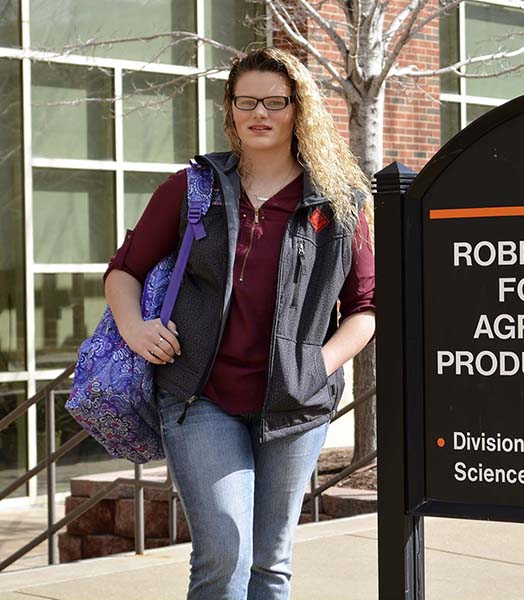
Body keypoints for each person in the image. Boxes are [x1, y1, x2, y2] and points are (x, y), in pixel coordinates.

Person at [103, 47, 375, 600]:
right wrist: (134, 328)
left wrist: (317, 365)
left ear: (299, 109)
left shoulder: (339, 202)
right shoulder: (192, 189)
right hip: (199, 396)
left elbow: (365, 307)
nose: (260, 114)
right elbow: (124, 270)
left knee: (271, 562)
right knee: (224, 552)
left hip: (296, 405)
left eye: (275, 102)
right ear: (229, 108)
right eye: (246, 101)